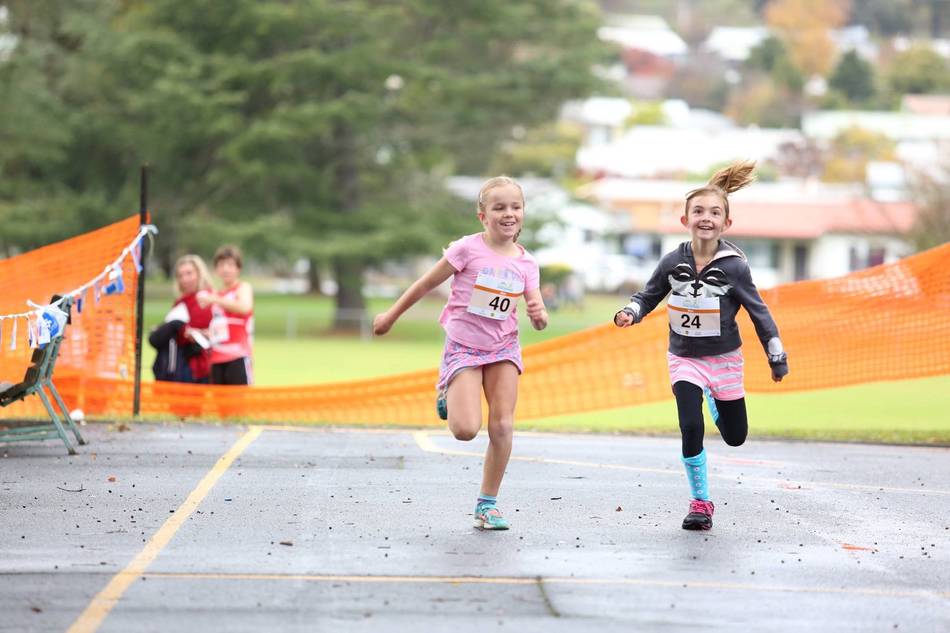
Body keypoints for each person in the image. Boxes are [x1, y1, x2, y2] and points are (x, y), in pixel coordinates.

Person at [613, 160, 788, 531]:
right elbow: (649, 295)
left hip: (725, 360)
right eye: (698, 212)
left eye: (714, 213)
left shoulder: (735, 267)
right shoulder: (672, 260)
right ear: (684, 220)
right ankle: (700, 503)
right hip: (684, 359)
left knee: (735, 437)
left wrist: (776, 356)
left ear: (726, 224)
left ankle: (715, 397)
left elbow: (759, 313)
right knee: (690, 426)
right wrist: (631, 311)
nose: (705, 218)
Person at [373, 176, 548, 530]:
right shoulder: (466, 249)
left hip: (503, 347)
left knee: (501, 425)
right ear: (483, 216)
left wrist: (539, 314)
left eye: (515, 207)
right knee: (466, 430)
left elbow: (535, 302)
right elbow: (425, 283)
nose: (508, 213)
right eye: (499, 207)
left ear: (523, 213)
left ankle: (487, 504)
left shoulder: (527, 263)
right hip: (465, 346)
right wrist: (390, 316)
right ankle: (448, 390)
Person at [148, 255, 214, 383]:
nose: (184, 279)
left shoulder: (206, 299)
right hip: (178, 365)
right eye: (180, 275)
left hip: (197, 367)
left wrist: (182, 331)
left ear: (200, 274)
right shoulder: (181, 302)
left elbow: (200, 331)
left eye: (189, 273)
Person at [198, 245, 254, 385]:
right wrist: (204, 333)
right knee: (220, 404)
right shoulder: (217, 294)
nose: (226, 269)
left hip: (238, 356)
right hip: (217, 358)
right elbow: (222, 326)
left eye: (230, 264)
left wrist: (214, 299)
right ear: (216, 269)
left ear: (238, 268)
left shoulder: (242, 288)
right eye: (221, 265)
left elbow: (244, 307)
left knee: (237, 404)